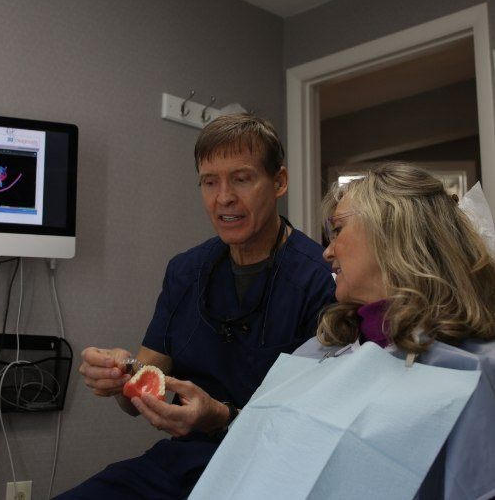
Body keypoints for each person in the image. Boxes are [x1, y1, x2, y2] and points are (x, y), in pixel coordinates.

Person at [54, 114, 336, 499]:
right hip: (183, 463)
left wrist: (219, 417)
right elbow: (136, 397)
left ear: (279, 182)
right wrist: (121, 376)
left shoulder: (319, 278)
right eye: (209, 182)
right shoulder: (186, 271)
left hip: (272, 472)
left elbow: (318, 429)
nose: (224, 198)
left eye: (242, 178)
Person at [189, 162, 495, 499]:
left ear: (392, 231)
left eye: (338, 230)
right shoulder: (321, 348)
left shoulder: (470, 371)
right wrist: (221, 415)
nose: (327, 251)